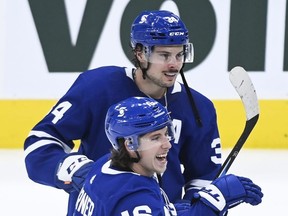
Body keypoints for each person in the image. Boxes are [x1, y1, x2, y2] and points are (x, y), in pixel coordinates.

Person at [25, 10, 222, 215]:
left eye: (179, 54)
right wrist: (74, 168)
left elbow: (204, 176)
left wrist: (194, 207)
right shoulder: (98, 88)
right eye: (164, 55)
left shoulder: (198, 108)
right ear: (140, 53)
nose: (174, 64)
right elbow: (41, 142)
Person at [73, 97, 263, 216]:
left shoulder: (103, 165)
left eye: (166, 133)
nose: (168, 144)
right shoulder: (134, 198)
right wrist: (213, 203)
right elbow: (137, 206)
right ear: (130, 144)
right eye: (156, 138)